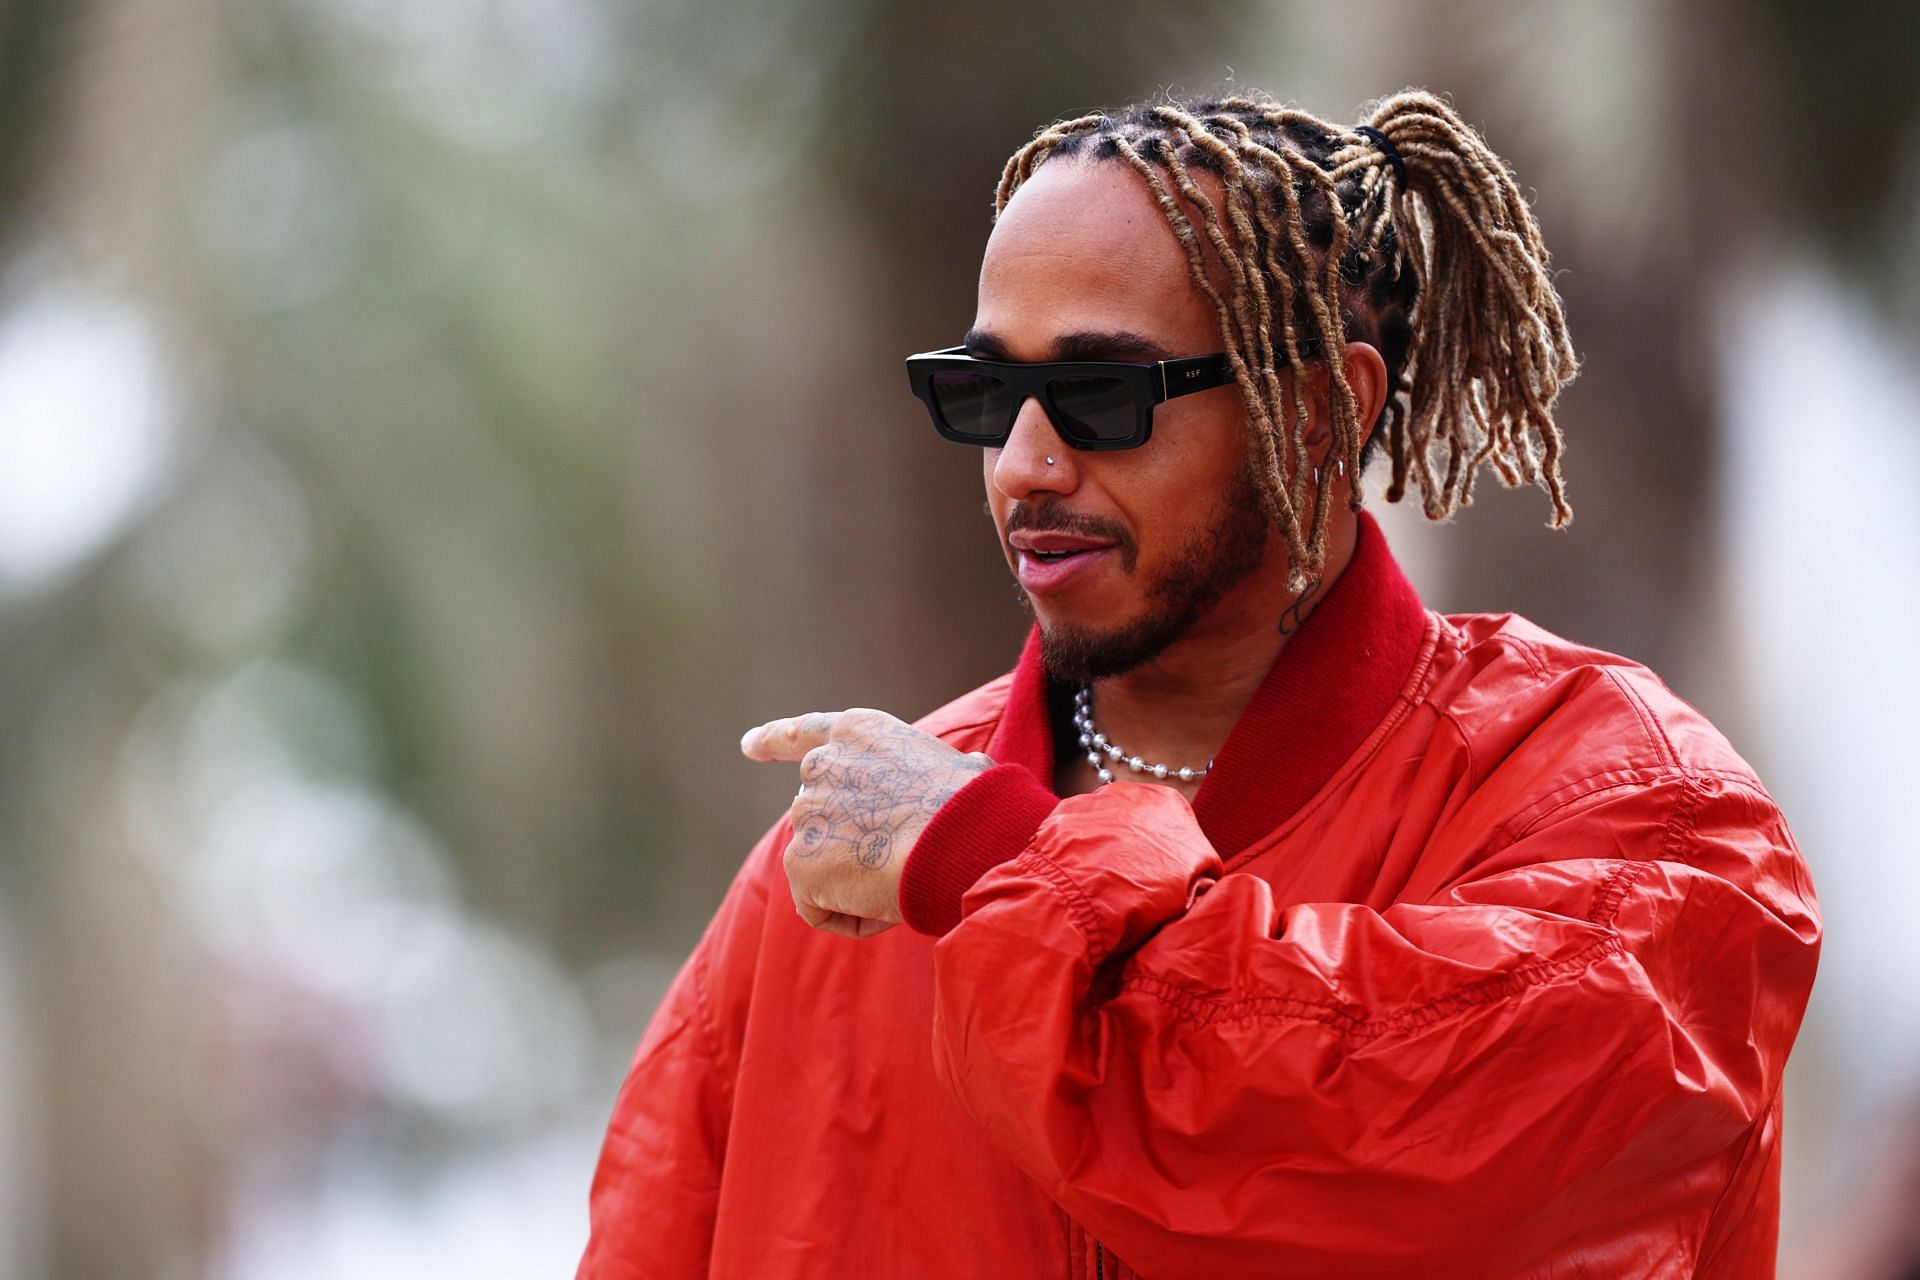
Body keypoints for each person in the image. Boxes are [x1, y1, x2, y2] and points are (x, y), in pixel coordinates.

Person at [577, 89, 1820, 1279]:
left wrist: (990, 863)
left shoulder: (1634, 808)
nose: (1024, 463)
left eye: (1100, 394)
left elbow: (1373, 1147)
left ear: (1327, 405)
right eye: (985, 392)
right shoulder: (831, 875)